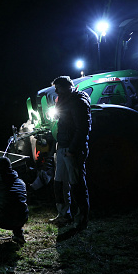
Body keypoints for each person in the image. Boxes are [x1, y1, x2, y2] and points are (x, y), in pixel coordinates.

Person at [48, 76, 92, 231]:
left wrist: (73, 150)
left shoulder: (78, 101)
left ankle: (81, 218)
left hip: (72, 150)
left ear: (67, 87)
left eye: (58, 87)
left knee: (76, 184)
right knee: (59, 182)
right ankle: (63, 214)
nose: (55, 91)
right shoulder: (65, 100)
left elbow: (83, 129)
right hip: (63, 147)